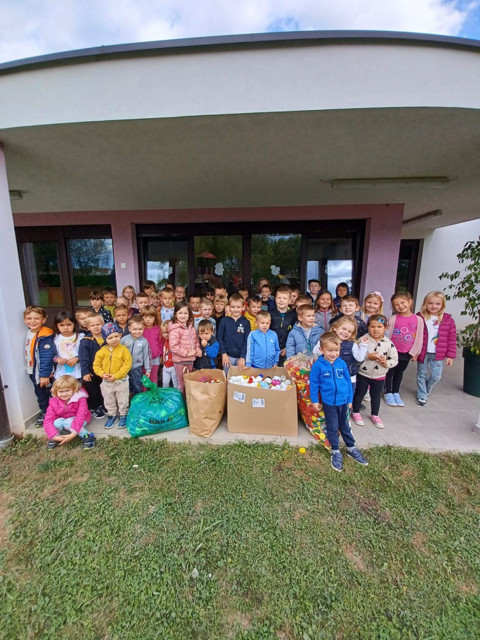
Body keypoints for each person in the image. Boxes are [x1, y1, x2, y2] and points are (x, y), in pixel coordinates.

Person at [310, 332, 368, 472]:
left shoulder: (341, 363)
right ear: (321, 350)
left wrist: (350, 400)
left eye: (336, 350)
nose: (333, 354)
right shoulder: (318, 366)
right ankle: (335, 451)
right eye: (330, 350)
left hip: (343, 402)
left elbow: (348, 382)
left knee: (345, 426)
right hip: (329, 403)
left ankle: (351, 447)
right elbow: (314, 384)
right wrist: (315, 400)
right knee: (333, 427)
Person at [351, 314, 398, 429]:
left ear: (385, 328)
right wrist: (368, 356)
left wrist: (386, 363)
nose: (376, 329)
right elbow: (356, 356)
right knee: (359, 393)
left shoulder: (389, 343)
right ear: (368, 327)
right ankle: (355, 412)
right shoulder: (363, 340)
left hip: (379, 375)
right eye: (372, 326)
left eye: (379, 327)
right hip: (363, 374)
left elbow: (394, 360)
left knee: (375, 396)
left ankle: (375, 414)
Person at [416, 291, 457, 406]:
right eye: (430, 303)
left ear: (442, 305)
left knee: (436, 376)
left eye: (437, 304)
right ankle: (422, 394)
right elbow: (416, 335)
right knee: (421, 374)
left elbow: (452, 338)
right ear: (425, 304)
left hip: (438, 353)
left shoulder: (448, 320)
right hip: (423, 352)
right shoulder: (420, 317)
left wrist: (450, 356)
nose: (434, 306)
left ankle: (426, 388)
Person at [384, 292, 424, 407]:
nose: (400, 306)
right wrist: (386, 350)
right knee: (389, 372)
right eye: (396, 304)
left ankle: (396, 392)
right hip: (392, 351)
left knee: (399, 372)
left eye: (402, 302)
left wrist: (416, 352)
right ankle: (388, 392)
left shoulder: (418, 319)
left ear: (410, 302)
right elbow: (387, 335)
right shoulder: (393, 318)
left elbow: (420, 336)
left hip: (407, 352)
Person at [93, 322, 132, 429]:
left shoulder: (124, 350)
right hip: (107, 382)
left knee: (123, 399)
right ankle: (112, 415)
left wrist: (116, 375)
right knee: (108, 399)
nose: (114, 339)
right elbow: (96, 365)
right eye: (110, 338)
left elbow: (127, 365)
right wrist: (102, 374)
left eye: (116, 336)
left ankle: (123, 415)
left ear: (120, 336)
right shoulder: (101, 352)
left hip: (121, 381)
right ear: (105, 338)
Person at [315, 316, 368, 395]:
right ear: (335, 328)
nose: (346, 332)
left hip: (348, 378)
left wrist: (363, 345)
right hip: (330, 377)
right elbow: (315, 352)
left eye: (349, 331)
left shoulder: (352, 344)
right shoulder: (327, 340)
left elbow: (359, 358)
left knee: (347, 398)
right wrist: (323, 343)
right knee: (331, 397)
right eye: (344, 329)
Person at [24, 305, 55, 426]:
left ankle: (50, 414)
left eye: (36, 318)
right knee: (39, 393)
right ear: (25, 320)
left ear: (44, 319)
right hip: (32, 370)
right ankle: (45, 412)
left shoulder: (44, 336)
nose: (32, 321)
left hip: (42, 373)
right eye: (29, 318)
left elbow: (46, 357)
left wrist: (44, 375)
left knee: (47, 393)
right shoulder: (29, 332)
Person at [44, 375, 95, 450]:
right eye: (61, 391)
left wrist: (73, 434)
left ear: (74, 389)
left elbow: (80, 416)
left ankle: (87, 435)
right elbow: (48, 420)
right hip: (64, 419)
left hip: (81, 419)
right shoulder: (53, 401)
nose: (64, 394)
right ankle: (58, 437)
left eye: (67, 390)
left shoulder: (80, 398)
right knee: (57, 422)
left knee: (67, 422)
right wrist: (53, 436)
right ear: (56, 391)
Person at [169, 301, 200, 393]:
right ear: (175, 314)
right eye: (180, 313)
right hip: (180, 361)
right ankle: (181, 400)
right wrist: (187, 353)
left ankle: (188, 400)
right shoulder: (175, 329)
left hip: (190, 360)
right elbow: (173, 346)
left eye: (185, 313)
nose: (183, 315)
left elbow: (196, 341)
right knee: (181, 383)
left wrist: (198, 350)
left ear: (189, 314)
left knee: (188, 382)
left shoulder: (192, 328)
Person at [79, 313, 106, 418]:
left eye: (98, 324)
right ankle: (95, 407)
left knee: (104, 389)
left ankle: (103, 404)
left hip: (104, 370)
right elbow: (83, 358)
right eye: (92, 325)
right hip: (91, 371)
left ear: (103, 324)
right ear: (88, 327)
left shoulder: (107, 338)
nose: (96, 327)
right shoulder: (86, 341)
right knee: (93, 390)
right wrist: (85, 372)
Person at [217, 293, 251, 373]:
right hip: (227, 357)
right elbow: (219, 337)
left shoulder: (246, 322)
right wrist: (223, 353)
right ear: (229, 307)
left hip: (241, 358)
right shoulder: (224, 321)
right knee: (228, 377)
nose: (235, 310)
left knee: (240, 378)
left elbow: (247, 341)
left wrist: (242, 357)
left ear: (243, 307)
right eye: (233, 307)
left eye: (238, 307)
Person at [121, 315, 151, 395]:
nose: (137, 331)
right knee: (125, 386)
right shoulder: (124, 339)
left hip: (136, 368)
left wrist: (148, 369)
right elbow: (119, 353)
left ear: (144, 328)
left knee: (137, 386)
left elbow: (146, 356)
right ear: (129, 328)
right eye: (134, 329)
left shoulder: (144, 341)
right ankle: (128, 400)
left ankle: (138, 399)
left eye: (140, 329)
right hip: (124, 368)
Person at [52, 310, 84, 380]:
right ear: (57, 325)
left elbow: (86, 353)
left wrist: (77, 358)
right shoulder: (55, 339)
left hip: (78, 372)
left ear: (74, 324)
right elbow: (52, 354)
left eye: (69, 324)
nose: (65, 328)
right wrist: (57, 359)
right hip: (61, 373)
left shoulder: (81, 337)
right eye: (62, 325)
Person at [270, 285, 296, 365]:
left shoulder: (294, 315)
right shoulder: (270, 314)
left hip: (287, 350)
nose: (281, 300)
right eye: (279, 298)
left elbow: (295, 334)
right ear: (275, 299)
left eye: (284, 298)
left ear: (290, 300)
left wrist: (287, 347)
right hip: (272, 349)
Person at [141, 306, 163, 386]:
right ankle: (145, 393)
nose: (148, 319)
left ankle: (154, 392)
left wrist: (162, 355)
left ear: (155, 318)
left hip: (155, 357)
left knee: (154, 376)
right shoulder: (140, 329)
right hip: (143, 358)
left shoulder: (158, 329)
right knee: (145, 377)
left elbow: (161, 343)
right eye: (145, 317)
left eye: (150, 317)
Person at [161, 321, 179, 388]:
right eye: (164, 333)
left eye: (167, 332)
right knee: (165, 382)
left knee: (175, 382)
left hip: (173, 366)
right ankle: (165, 393)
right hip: (166, 366)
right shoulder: (165, 341)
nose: (166, 335)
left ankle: (176, 393)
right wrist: (162, 359)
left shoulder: (175, 342)